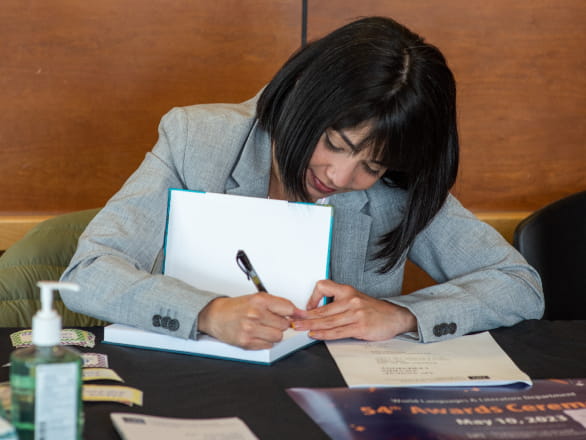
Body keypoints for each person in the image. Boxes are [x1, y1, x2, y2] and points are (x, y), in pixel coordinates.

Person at [60, 16, 544, 349]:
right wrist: (208, 312)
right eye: (334, 143)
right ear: (303, 99)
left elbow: (519, 285)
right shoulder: (198, 140)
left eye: (373, 166)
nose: (340, 177)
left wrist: (402, 314)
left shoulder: (398, 187)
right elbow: (88, 275)